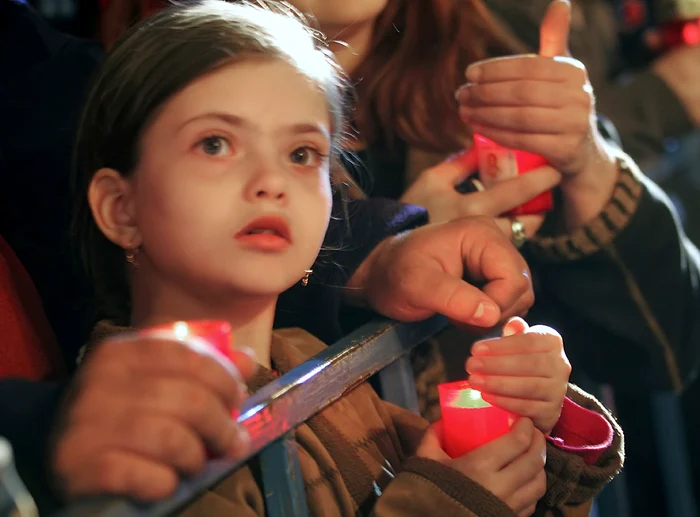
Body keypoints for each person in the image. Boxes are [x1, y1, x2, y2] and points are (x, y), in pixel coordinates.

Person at [52, 3, 623, 515]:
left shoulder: (314, 363)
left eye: (302, 153)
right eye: (215, 144)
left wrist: (534, 422)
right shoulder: (133, 433)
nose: (271, 181)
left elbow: (494, 492)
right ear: (120, 207)